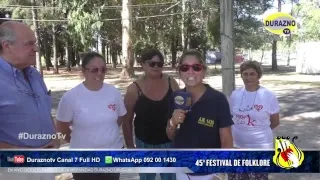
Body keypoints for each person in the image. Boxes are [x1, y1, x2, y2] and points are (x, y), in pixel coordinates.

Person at [0, 21, 58, 180]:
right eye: (29, 44)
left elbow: (44, 110)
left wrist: (54, 137)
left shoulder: (34, 74)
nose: (36, 48)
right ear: (7, 45)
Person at [55, 52, 126, 180]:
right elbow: (61, 127)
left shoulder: (113, 92)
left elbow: (119, 118)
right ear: (84, 71)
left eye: (103, 69)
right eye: (94, 70)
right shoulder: (71, 97)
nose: (99, 73)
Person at [166, 50, 233, 180]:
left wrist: (221, 173)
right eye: (185, 67)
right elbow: (170, 135)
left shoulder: (218, 99)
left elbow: (226, 139)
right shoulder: (175, 97)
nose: (190, 72)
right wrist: (173, 123)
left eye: (196, 67)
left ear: (203, 71)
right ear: (180, 72)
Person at [122, 49, 180, 180]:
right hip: (144, 144)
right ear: (143, 64)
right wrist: (130, 147)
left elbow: (181, 110)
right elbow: (127, 120)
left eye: (160, 64)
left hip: (169, 143)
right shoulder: (134, 89)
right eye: (152, 63)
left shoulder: (172, 83)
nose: (156, 67)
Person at [228, 60, 280, 180]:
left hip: (260, 147)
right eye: (245, 74)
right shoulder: (235, 95)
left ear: (258, 75)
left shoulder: (268, 95)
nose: (248, 77)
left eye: (252, 74)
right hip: (237, 145)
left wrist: (256, 132)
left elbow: (275, 122)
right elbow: (231, 118)